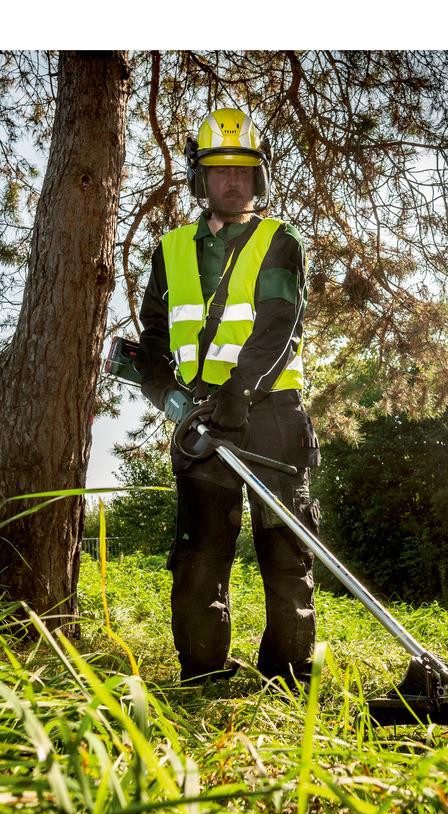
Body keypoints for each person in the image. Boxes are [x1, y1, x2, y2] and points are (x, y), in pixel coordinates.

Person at [137, 108, 321, 688]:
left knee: (285, 550)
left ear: (258, 177)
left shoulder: (280, 241)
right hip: (201, 422)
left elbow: (278, 323)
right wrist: (164, 390)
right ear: (201, 178)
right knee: (199, 553)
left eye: (244, 170)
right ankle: (202, 674)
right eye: (220, 171)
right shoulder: (168, 251)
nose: (233, 181)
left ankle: (287, 677)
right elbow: (153, 338)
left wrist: (240, 391)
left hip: (270, 415)